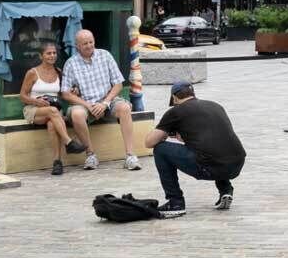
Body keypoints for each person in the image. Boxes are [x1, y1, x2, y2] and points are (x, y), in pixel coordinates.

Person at [146, 81, 247, 218]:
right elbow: (213, 138)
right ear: (193, 93)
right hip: (236, 164)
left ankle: (175, 203)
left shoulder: (175, 111)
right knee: (215, 150)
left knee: (160, 149)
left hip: (209, 167)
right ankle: (225, 190)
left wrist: (166, 133)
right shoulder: (215, 105)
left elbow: (149, 142)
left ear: (175, 98)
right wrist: (186, 138)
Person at [60, 29, 141, 171]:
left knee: (125, 108)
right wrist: (88, 105)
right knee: (77, 114)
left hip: (108, 100)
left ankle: (130, 156)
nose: (89, 45)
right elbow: (65, 93)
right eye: (85, 43)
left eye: (91, 42)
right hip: (86, 104)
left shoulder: (105, 55)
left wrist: (105, 103)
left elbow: (118, 84)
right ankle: (90, 155)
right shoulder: (71, 63)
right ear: (77, 46)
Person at [19, 42, 87, 175]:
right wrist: (36, 101)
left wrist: (73, 91)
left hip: (53, 111)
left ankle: (57, 163)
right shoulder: (33, 73)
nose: (52, 55)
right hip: (34, 109)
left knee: (52, 124)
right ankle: (69, 142)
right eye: (48, 53)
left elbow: (63, 94)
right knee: (53, 112)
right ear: (41, 56)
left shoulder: (59, 72)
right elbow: (22, 96)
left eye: (54, 53)